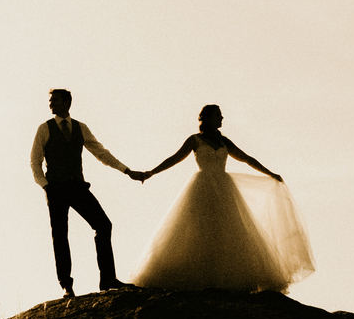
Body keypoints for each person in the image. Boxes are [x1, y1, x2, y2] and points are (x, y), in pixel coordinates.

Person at [130, 105, 314, 292]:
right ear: (208, 118)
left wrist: (270, 173)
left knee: (228, 230)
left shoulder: (224, 141)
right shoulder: (195, 140)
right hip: (201, 188)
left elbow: (246, 158)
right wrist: (150, 172)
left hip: (224, 188)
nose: (222, 118)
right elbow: (175, 158)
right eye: (218, 115)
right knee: (198, 230)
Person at [30, 88, 143, 297]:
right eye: (50, 101)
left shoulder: (81, 128)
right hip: (55, 188)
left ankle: (108, 278)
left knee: (103, 225)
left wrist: (127, 171)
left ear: (67, 102)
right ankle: (66, 285)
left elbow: (101, 153)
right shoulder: (44, 129)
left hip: (77, 186)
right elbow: (35, 161)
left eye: (54, 100)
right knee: (60, 236)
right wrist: (46, 186)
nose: (50, 104)